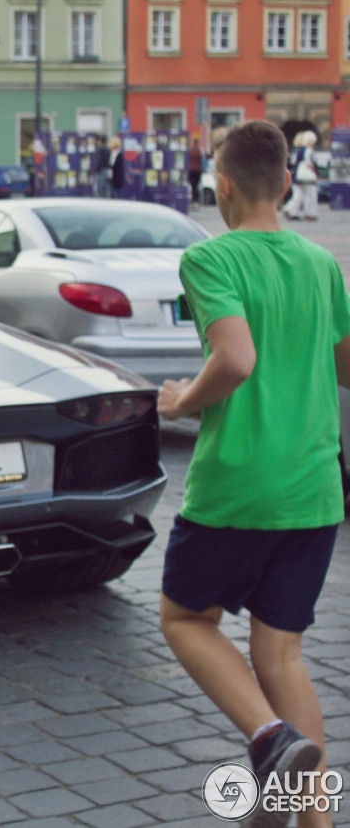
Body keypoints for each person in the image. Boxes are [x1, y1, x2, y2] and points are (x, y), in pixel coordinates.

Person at [157, 120, 350, 828]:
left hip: (238, 484)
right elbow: (347, 361)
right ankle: (316, 822)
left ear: (223, 184)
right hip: (315, 488)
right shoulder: (320, 263)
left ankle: (269, 740)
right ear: (289, 185)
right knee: (281, 651)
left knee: (183, 616)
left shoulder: (212, 259)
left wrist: (182, 398)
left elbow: (234, 358)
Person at [284, 130, 319, 222]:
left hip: (296, 176)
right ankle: (309, 213)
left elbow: (293, 162)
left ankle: (290, 210)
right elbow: (310, 163)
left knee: (298, 195)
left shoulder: (298, 150)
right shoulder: (309, 150)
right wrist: (314, 173)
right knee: (310, 195)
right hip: (307, 177)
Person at [188, 135, 203, 208]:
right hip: (197, 171)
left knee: (193, 186)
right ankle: (195, 201)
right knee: (196, 187)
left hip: (191, 171)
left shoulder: (190, 151)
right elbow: (200, 161)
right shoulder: (199, 151)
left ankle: (194, 201)